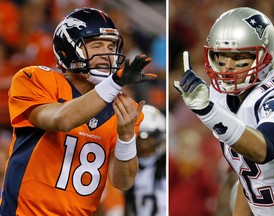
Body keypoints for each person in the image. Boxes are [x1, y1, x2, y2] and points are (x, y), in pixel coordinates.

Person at [0, 7, 157, 215]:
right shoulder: (35, 79)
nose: (107, 55)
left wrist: (126, 136)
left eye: (111, 47)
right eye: (97, 45)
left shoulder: (120, 106)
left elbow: (122, 181)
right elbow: (60, 119)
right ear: (67, 50)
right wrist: (114, 83)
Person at [174, 7, 274, 216]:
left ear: (266, 56)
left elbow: (264, 149)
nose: (227, 67)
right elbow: (251, 182)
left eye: (239, 57)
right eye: (221, 56)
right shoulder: (221, 97)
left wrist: (209, 112)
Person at [124, 104, 166, 216]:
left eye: (150, 137)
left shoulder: (168, 168)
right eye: (140, 137)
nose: (144, 143)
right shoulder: (123, 168)